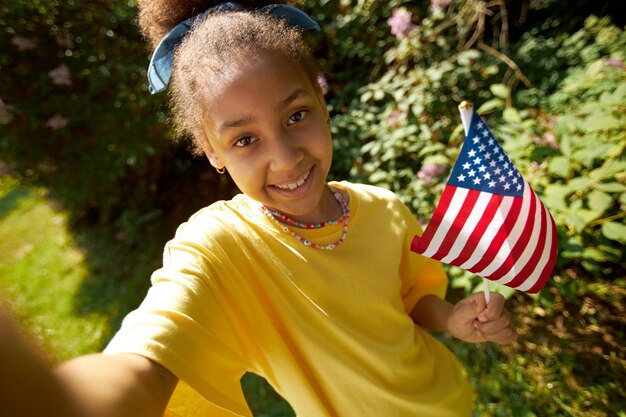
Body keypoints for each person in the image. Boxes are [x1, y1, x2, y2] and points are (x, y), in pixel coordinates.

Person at [2, 1, 517, 416]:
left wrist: (451, 319)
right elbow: (150, 350)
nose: (286, 157)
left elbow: (409, 299)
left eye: (296, 115)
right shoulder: (222, 247)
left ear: (322, 101)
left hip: (447, 400)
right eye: (245, 139)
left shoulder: (384, 209)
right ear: (211, 152)